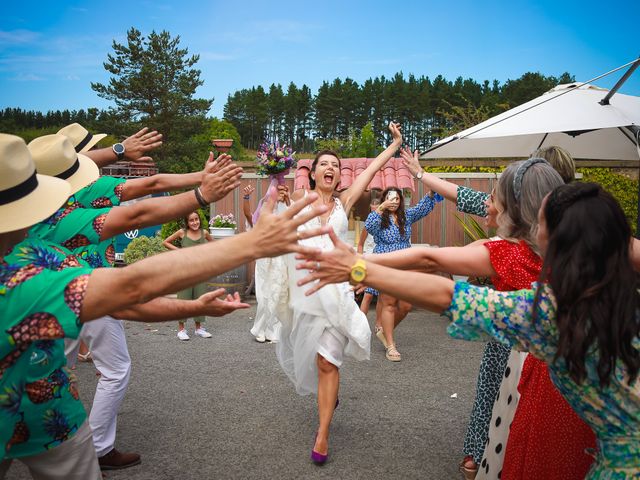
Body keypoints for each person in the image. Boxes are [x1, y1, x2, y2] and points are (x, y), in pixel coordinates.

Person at [0, 133, 329, 479]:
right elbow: (132, 283)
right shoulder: (21, 277)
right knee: (115, 370)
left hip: (39, 413)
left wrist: (189, 309)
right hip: (45, 419)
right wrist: (251, 242)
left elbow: (125, 302)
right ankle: (102, 447)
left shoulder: (38, 252)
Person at [299, 181, 639, 479]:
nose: (534, 228)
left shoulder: (553, 313)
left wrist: (357, 271)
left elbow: (449, 294)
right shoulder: (624, 296)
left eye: (542, 222)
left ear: (559, 240)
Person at [25, 133, 242, 469]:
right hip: (92, 288)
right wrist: (201, 192)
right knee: (113, 369)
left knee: (55, 369)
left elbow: (146, 192)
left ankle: (75, 438)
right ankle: (95, 447)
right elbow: (136, 215)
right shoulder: (70, 211)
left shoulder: (32, 230)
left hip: (64, 298)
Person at [401, 146, 583, 478]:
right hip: (560, 354)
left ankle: (479, 457)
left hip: (513, 343)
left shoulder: (510, 250)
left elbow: (438, 266)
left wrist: (358, 268)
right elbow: (464, 199)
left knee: (499, 400)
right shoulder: (588, 236)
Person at [279, 122, 403, 465]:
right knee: (313, 357)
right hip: (308, 291)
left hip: (336, 290)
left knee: (326, 360)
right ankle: (329, 396)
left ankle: (322, 435)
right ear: (313, 173)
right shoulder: (301, 201)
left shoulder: (344, 202)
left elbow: (375, 170)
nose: (331, 168)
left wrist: (394, 146)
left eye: (335, 165)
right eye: (325, 164)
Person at [364, 186, 442, 361]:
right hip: (385, 262)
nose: (393, 201)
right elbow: (368, 225)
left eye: (396, 198)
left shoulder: (405, 217)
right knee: (388, 302)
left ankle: (383, 329)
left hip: (405, 262)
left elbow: (421, 208)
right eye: (389, 198)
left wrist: (430, 193)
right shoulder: (379, 218)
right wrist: (381, 207)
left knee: (406, 305)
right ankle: (390, 345)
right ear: (384, 199)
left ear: (400, 201)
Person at [245, 185, 290, 343]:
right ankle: (260, 328)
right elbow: (249, 218)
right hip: (264, 259)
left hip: (279, 259)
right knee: (264, 296)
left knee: (277, 294)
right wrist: (246, 198)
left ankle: (274, 331)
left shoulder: (285, 209)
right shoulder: (263, 213)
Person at [163, 212, 214, 340]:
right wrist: (180, 251)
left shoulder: (205, 233)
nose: (195, 222)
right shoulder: (182, 233)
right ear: (187, 222)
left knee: (200, 298)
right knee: (183, 298)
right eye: (191, 220)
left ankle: (199, 328)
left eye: (196, 219)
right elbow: (166, 242)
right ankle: (181, 330)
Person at [356, 197, 379, 315]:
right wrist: (360, 262)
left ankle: (381, 327)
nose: (374, 214)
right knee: (368, 295)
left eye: (377, 210)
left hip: (381, 259)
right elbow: (360, 245)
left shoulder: (386, 224)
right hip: (369, 259)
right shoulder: (367, 225)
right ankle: (360, 323)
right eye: (372, 211)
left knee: (385, 298)